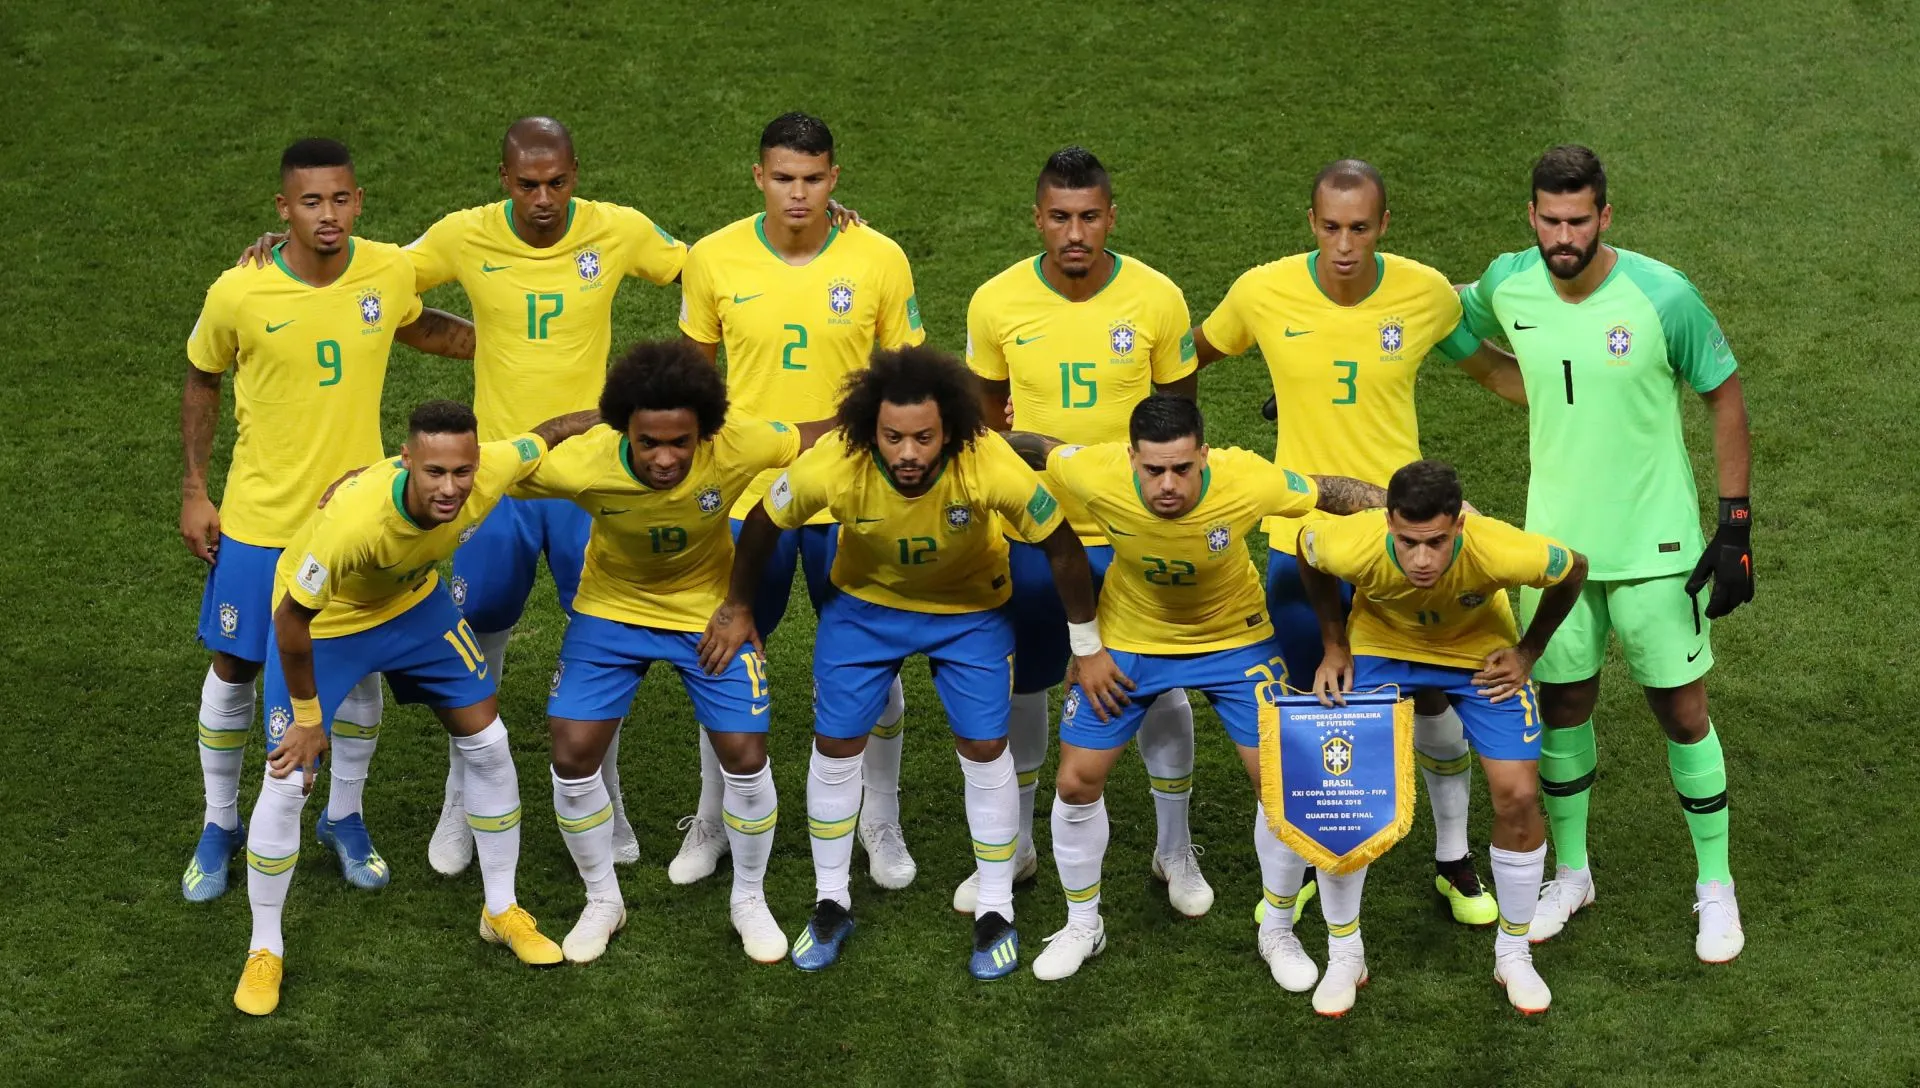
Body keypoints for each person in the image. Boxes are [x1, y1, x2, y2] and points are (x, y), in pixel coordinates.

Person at [237, 117, 691, 875]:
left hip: (593, 481)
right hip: (494, 483)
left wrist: (822, 229)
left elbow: (713, 269)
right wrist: (282, 248)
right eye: (526, 185)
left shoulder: (620, 231)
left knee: (606, 636)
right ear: (503, 181)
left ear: (577, 175)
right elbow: (367, 274)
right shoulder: (463, 235)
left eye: (557, 183)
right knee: (477, 636)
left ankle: (605, 795)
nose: (543, 199)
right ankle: (459, 799)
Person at [702, 346, 1122, 980]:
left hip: (971, 612)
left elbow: (1061, 547)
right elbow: (764, 522)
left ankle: (996, 908)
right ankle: (830, 901)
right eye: (892, 437)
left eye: (923, 438)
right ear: (870, 429)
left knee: (985, 747)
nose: (907, 453)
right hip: (865, 610)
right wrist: (737, 606)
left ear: (948, 431)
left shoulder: (989, 462)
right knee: (836, 743)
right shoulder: (835, 464)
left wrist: (1087, 648)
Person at [1457, 145, 1754, 963]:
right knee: (1563, 707)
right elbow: (1447, 321)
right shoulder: (1508, 283)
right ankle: (1573, 873)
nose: (1564, 235)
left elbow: (1723, 392)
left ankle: (1715, 887)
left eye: (1578, 220)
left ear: (1605, 217)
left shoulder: (1663, 295)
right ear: (1531, 216)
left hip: (1658, 549)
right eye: (1550, 220)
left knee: (1681, 711)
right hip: (1555, 555)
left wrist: (1735, 525)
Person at [1191, 159, 1504, 926]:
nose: (1344, 244)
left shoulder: (1425, 293)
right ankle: (1305, 859)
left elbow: (1493, 369)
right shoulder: (1262, 290)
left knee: (1431, 693)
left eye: (1360, 228)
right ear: (1310, 223)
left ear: (1383, 227)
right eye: (1330, 227)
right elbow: (1183, 359)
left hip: (1405, 542)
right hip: (1302, 541)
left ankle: (1452, 857)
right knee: (1309, 702)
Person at [1000, 395, 1388, 983]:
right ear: (1130, 458)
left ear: (1204, 455)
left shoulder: (1246, 479)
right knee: (1076, 782)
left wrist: (1409, 507)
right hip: (1131, 641)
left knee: (1281, 786)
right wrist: (970, 445)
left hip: (1236, 641)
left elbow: (1326, 489)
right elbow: (1038, 449)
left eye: (1183, 468)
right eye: (1153, 470)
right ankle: (1084, 924)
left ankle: (1276, 930)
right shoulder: (1093, 470)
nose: (1168, 485)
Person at [233, 399, 597, 1016]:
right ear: (407, 463)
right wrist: (310, 722)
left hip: (414, 608)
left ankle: (501, 909)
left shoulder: (491, 473)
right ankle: (263, 948)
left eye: (462, 472)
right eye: (434, 473)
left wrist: (621, 413)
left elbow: (550, 433)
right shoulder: (354, 523)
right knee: (289, 776)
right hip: (328, 626)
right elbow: (291, 621)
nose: (451, 488)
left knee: (489, 743)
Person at [182, 137, 474, 902]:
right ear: (283, 209)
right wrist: (193, 489)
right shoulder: (238, 291)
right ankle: (220, 825)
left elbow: (420, 324)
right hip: (260, 521)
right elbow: (201, 376)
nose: (328, 215)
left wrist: (502, 347)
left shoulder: (384, 268)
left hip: (354, 522)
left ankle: (344, 816)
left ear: (359, 200)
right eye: (311, 202)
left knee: (358, 671)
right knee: (236, 666)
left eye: (341, 199)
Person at [508, 340, 834, 964]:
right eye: (646, 441)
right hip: (610, 612)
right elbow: (495, 463)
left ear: (705, 433)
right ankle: (603, 899)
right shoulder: (586, 463)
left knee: (745, 750)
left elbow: (818, 435)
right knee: (573, 751)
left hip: (706, 616)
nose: (663, 458)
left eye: (679, 443)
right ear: (623, 429)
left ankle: (748, 898)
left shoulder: (738, 442)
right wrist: (564, 425)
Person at [678, 111, 925, 890]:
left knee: (876, 667)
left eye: (813, 179)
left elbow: (908, 384)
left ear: (834, 180)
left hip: (854, 499)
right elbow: (691, 388)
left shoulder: (879, 257)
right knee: (724, 653)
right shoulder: (713, 258)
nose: (798, 193)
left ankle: (878, 819)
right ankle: (712, 815)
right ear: (759, 177)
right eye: (783, 177)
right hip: (750, 502)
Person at [960, 146, 1208, 918]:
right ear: (1037, 218)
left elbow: (1180, 421)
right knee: (1029, 678)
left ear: (1111, 217)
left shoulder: (1157, 299)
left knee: (1156, 679)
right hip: (1036, 533)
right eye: (1060, 217)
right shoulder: (996, 302)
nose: (1075, 232)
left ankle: (1175, 848)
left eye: (1089, 217)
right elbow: (982, 421)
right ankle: (1022, 843)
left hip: (1138, 531)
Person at [1296, 459, 1589, 1016]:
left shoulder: (1501, 549)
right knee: (1344, 796)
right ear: (1388, 525)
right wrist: (1334, 645)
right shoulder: (1350, 542)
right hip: (1382, 650)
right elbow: (1307, 555)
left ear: (1459, 524)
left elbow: (1575, 569)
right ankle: (1344, 953)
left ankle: (1514, 952)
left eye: (1434, 543)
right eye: (1407, 543)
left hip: (1478, 657)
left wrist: (1528, 653)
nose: (1421, 560)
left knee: (1519, 796)